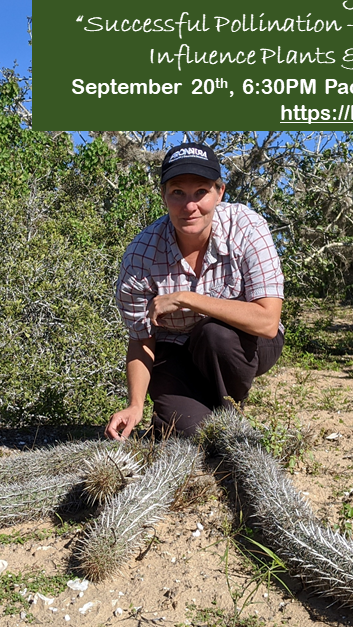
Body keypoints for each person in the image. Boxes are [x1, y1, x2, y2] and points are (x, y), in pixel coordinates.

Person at [105, 142, 284, 440]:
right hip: (174, 350)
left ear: (219, 193)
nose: (190, 206)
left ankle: (230, 410)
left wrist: (188, 299)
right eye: (178, 193)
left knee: (214, 335)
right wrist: (135, 404)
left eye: (201, 192)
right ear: (163, 196)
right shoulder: (140, 255)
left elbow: (267, 323)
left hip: (242, 345)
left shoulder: (247, 227)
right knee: (189, 432)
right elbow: (141, 339)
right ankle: (195, 411)